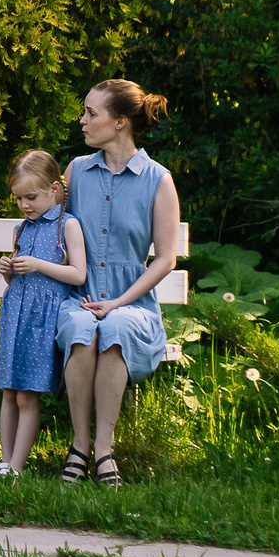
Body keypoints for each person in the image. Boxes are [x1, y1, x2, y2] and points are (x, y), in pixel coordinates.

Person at [55, 78, 182, 486]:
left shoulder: (158, 180)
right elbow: (49, 230)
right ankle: (79, 446)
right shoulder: (76, 172)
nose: (82, 120)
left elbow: (165, 258)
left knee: (113, 328)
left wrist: (120, 302)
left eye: (92, 113)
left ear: (121, 123)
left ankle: (104, 450)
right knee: (80, 326)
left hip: (134, 305)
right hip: (81, 296)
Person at [0, 150, 86, 477]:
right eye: (18, 198)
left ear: (55, 190)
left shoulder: (67, 224)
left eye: (31, 197)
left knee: (27, 395)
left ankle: (17, 466)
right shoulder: (22, 228)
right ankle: (5, 462)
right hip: (15, 316)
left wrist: (38, 266)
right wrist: (7, 269)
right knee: (9, 392)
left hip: (41, 322)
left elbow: (78, 274)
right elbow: (17, 277)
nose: (24, 205)